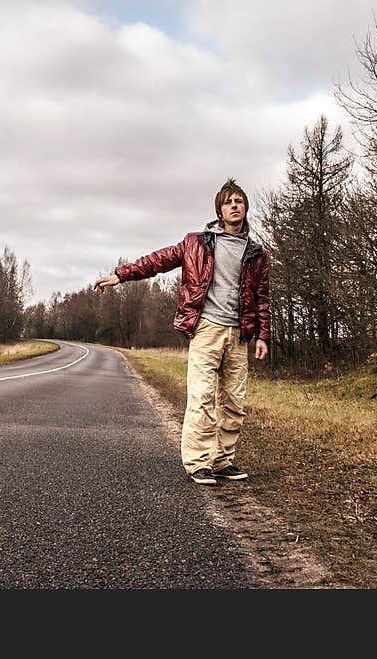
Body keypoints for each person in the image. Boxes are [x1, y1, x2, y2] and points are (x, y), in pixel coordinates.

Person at [93, 178, 270, 486]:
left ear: (245, 208)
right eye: (228, 201)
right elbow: (156, 262)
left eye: (239, 201)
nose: (234, 205)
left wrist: (264, 336)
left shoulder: (256, 253)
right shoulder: (196, 243)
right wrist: (120, 276)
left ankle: (223, 460)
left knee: (233, 402)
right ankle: (198, 463)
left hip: (239, 334)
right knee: (202, 396)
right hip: (206, 329)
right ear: (219, 209)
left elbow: (262, 297)